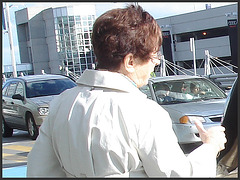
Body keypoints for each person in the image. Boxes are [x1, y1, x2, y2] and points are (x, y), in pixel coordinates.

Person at [27, 4, 226, 178]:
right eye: (153, 56)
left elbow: (39, 171)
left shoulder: (61, 103)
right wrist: (210, 146)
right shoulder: (143, 111)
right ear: (130, 61)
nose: (155, 64)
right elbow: (177, 174)